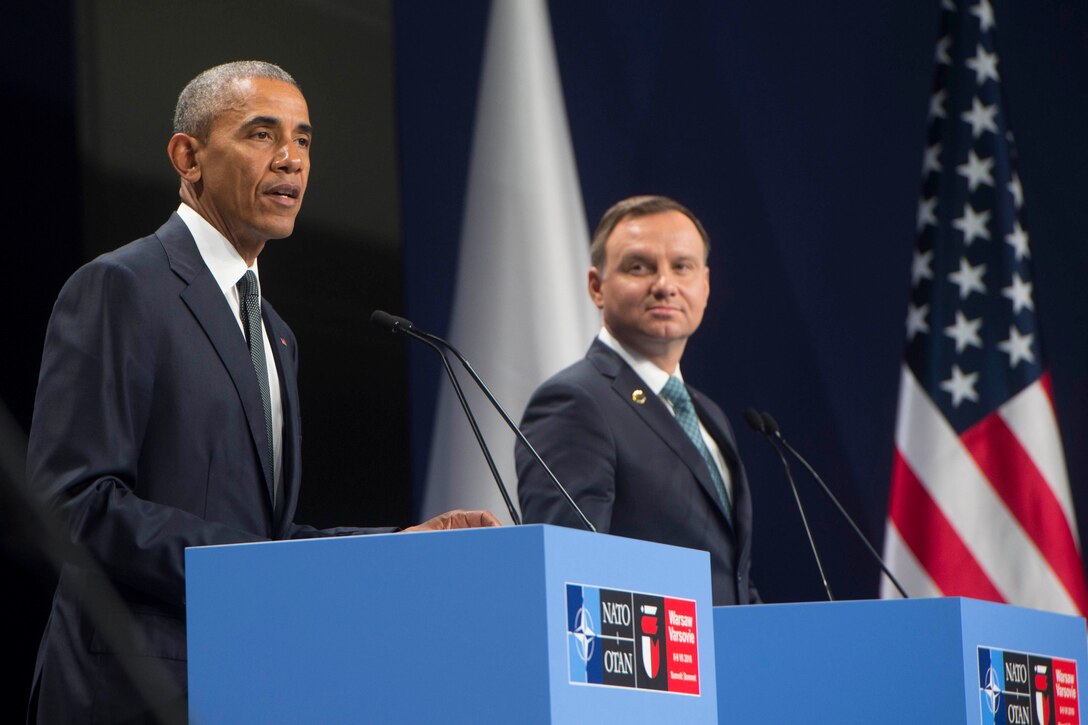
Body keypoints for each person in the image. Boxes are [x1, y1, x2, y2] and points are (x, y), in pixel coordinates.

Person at [26, 60, 498, 722]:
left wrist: (398, 548)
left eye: (303, 139)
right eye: (260, 134)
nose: (290, 160)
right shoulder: (122, 288)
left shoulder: (274, 333)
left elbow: (265, 536)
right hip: (133, 688)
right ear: (187, 156)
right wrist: (248, 575)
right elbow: (74, 502)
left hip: (249, 679)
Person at [516, 195, 758, 607]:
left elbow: (731, 576)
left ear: (705, 285)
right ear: (597, 287)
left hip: (730, 660)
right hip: (642, 666)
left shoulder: (709, 415)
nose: (664, 285)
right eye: (639, 267)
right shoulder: (574, 402)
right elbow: (571, 575)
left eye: (681, 266)